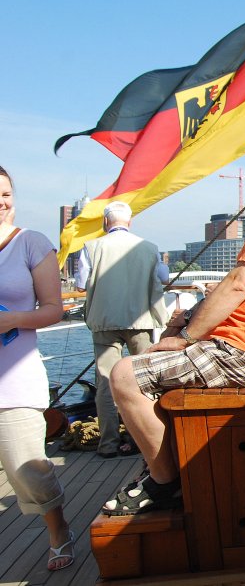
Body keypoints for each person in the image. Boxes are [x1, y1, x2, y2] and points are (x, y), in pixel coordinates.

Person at [102, 157, 245, 516]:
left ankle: (164, 484)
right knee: (151, 370)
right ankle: (166, 465)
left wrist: (188, 335)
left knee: (124, 375)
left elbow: (239, 283)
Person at [0, 165, 74, 570]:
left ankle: (58, 528)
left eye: (6, 194)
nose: (2, 202)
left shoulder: (30, 243)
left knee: (27, 467)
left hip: (14, 380)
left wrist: (11, 319)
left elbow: (53, 310)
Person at [75, 201, 169, 458]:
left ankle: (108, 444)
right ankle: (143, 441)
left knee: (105, 383)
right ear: (129, 222)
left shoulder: (92, 248)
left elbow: (81, 284)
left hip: (104, 321)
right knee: (145, 380)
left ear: (106, 222)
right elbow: (163, 278)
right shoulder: (149, 248)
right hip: (140, 321)